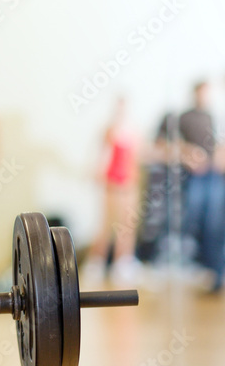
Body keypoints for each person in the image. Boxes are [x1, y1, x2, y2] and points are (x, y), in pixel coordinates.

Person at [156, 81, 224, 292]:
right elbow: (164, 143)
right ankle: (196, 264)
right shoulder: (184, 117)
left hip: (215, 174)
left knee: (215, 223)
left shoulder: (214, 117)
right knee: (195, 218)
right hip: (195, 176)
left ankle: (215, 273)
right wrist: (189, 154)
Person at [84, 97, 142, 285]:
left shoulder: (134, 132)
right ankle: (97, 262)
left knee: (128, 223)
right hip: (112, 182)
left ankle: (123, 261)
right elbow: (102, 155)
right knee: (107, 223)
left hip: (128, 183)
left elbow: (136, 158)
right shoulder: (108, 131)